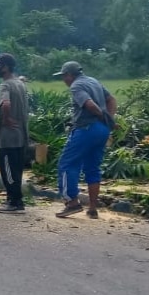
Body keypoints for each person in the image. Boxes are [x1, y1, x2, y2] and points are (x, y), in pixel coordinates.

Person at [53, 61, 117, 219]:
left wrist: (104, 118)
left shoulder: (76, 86)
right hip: (102, 131)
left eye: (63, 76)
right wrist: (109, 120)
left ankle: (72, 203)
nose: (63, 80)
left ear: (69, 74)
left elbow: (90, 105)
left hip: (86, 128)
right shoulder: (93, 81)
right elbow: (112, 100)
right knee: (93, 167)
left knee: (67, 163)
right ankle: (93, 208)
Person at [0, 53, 29, 214]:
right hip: (21, 135)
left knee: (8, 170)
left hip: (8, 137)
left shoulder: (5, 85)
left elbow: (5, 103)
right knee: (17, 169)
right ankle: (16, 199)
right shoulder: (20, 83)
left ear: (5, 67)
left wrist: (6, 119)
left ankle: (14, 201)